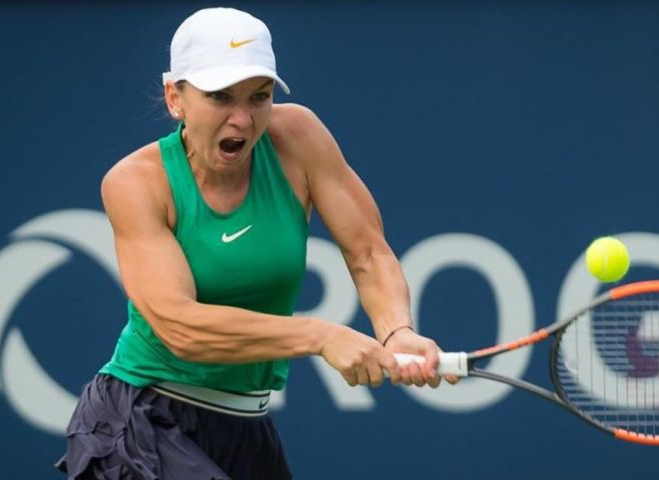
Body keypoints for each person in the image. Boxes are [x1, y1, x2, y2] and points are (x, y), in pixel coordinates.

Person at [56, 6, 454, 480]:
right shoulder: (135, 183)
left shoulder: (299, 136)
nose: (242, 119)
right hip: (143, 423)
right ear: (175, 98)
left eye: (259, 97)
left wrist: (396, 331)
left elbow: (367, 251)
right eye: (220, 97)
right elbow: (180, 327)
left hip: (246, 425)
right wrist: (322, 336)